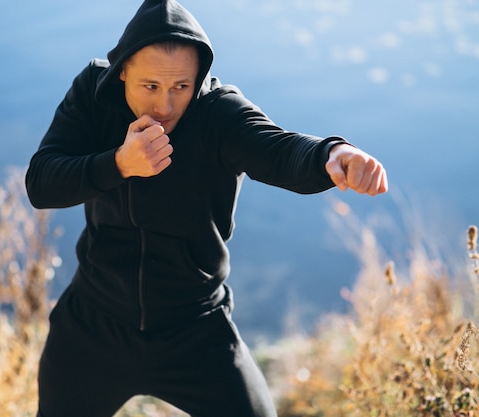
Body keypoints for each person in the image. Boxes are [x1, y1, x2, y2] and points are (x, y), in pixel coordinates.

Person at [25, 0, 388, 416]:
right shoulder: (94, 93)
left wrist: (332, 154)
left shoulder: (218, 113)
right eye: (150, 86)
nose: (164, 107)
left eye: (181, 86)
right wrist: (119, 164)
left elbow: (279, 149)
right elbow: (42, 182)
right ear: (122, 70)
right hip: (95, 323)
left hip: (195, 329)